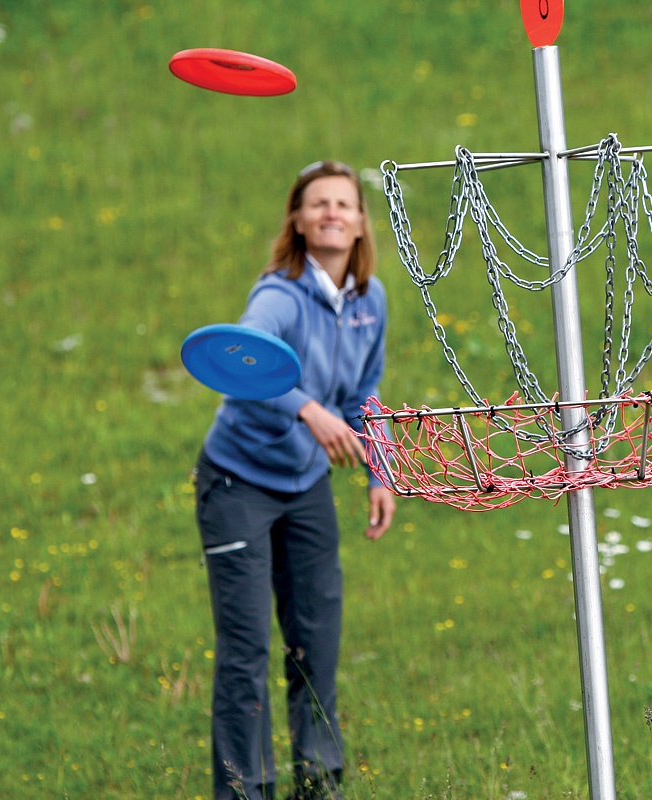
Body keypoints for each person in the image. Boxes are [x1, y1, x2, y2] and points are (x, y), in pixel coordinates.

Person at [194, 160, 396, 800]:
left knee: (317, 643)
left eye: (344, 203)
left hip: (306, 487)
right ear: (299, 222)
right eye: (318, 204)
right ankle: (244, 791)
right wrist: (308, 409)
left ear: (360, 224)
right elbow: (244, 357)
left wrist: (380, 471)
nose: (332, 212)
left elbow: (364, 392)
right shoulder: (278, 296)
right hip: (238, 483)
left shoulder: (370, 300)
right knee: (246, 651)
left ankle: (319, 786)